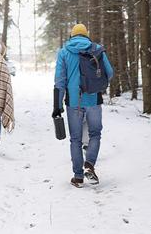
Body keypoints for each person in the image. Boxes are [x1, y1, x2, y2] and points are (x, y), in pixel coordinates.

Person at [53, 23, 114, 187]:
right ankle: (89, 165)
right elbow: (110, 73)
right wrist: (99, 86)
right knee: (95, 134)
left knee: (75, 140)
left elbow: (59, 82)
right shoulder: (97, 49)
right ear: (86, 35)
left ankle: (78, 177)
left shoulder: (64, 52)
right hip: (94, 100)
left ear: (72, 36)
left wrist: (57, 106)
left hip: (73, 103)